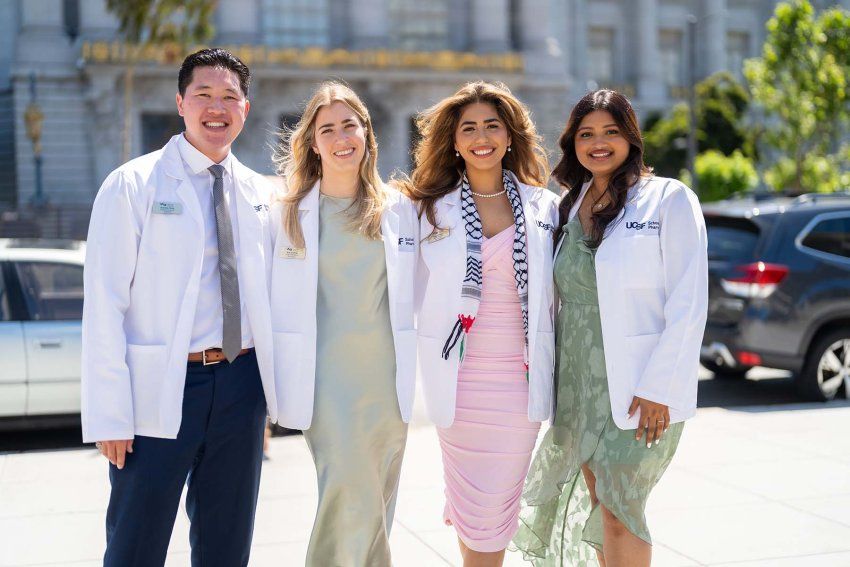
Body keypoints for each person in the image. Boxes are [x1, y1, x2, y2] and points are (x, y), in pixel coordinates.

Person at [81, 48, 278, 566]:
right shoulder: (132, 185)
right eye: (204, 95)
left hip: (240, 385)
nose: (217, 108)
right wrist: (109, 414)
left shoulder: (263, 195)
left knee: (226, 545)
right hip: (159, 389)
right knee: (136, 545)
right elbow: (104, 303)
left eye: (229, 97)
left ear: (246, 108)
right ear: (180, 103)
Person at [514, 89, 708, 567]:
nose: (598, 143)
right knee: (603, 508)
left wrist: (659, 386)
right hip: (578, 383)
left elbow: (689, 301)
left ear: (631, 138)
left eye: (610, 132)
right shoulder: (567, 205)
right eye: (586, 134)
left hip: (640, 388)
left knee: (623, 509)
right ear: (572, 143)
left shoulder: (669, 199)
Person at [397, 81, 558, 567]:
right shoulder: (425, 209)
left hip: (519, 381)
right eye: (469, 127)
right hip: (459, 380)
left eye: (492, 125)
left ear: (510, 136)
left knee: (495, 508)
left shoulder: (545, 207)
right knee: (473, 508)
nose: (481, 136)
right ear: (453, 140)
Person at [269, 81, 418, 566]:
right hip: (326, 382)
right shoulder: (287, 213)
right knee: (347, 490)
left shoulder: (400, 208)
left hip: (386, 381)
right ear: (312, 141)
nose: (340, 137)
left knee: (376, 497)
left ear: (366, 133)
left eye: (348, 125)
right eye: (326, 128)